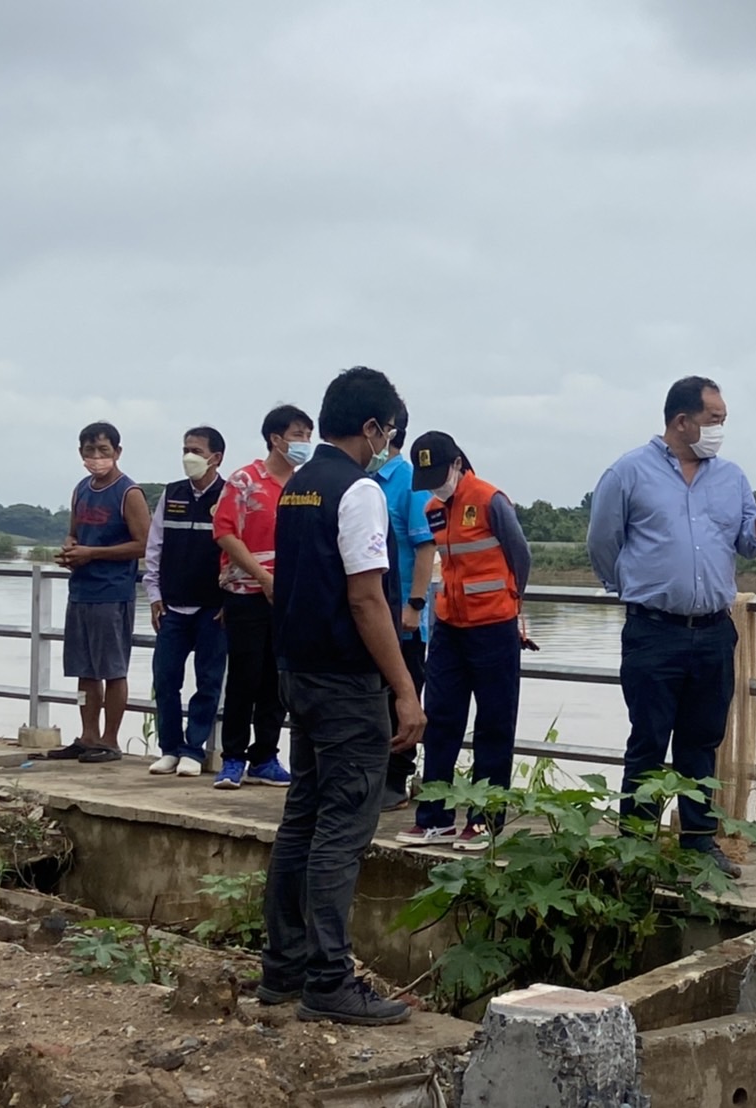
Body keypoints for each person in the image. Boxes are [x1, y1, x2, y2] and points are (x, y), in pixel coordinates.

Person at [259, 365, 426, 1026]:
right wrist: (404, 689)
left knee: (302, 818)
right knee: (343, 826)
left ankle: (283, 967)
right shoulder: (359, 491)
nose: (389, 443)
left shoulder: (297, 487)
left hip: (300, 674)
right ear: (373, 427)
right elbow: (366, 598)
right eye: (389, 432)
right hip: (347, 684)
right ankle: (329, 978)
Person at [587, 376, 756, 877]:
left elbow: (748, 542)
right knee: (647, 740)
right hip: (653, 631)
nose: (720, 428)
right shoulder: (627, 472)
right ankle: (635, 846)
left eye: (723, 420)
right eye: (714, 419)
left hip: (713, 631)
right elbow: (602, 541)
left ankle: (700, 843)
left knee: (702, 742)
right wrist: (632, 586)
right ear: (682, 421)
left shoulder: (730, 477)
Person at [395, 431, 531, 849]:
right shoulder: (434, 509)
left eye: (439, 475)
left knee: (493, 724)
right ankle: (434, 819)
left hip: (493, 626)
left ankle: (485, 820)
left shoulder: (490, 500)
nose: (435, 485)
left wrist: (514, 605)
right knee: (440, 722)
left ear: (457, 464)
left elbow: (520, 555)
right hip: (450, 627)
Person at [212, 405, 314, 789]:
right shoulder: (244, 481)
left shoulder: (304, 486)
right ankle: (232, 758)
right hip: (246, 594)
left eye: (308, 435)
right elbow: (225, 533)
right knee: (244, 676)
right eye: (298, 434)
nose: (305, 442)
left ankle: (265, 756)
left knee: (278, 678)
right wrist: (262, 577)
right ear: (276, 438)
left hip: (289, 598)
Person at [46, 422, 152, 764]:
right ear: (81, 453)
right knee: (84, 669)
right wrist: (71, 549)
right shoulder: (81, 489)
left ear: (117, 452)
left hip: (112, 592)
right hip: (81, 590)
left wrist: (93, 554)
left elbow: (144, 544)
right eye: (89, 450)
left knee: (113, 668)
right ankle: (87, 735)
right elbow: (73, 533)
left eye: (103, 450)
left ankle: (110, 740)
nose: (96, 457)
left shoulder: (128, 493)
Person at [143, 427, 228, 777]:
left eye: (196, 451)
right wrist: (154, 595)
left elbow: (237, 551)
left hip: (213, 609)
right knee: (165, 679)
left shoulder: (229, 496)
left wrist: (230, 600)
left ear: (216, 458)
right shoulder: (172, 493)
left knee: (208, 681)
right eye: (185, 450)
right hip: (172, 606)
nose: (188, 457)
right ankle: (169, 748)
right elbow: (155, 547)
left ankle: (194, 750)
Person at [372, 405, 435, 811]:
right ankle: (371, 776)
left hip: (403, 617)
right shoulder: (363, 480)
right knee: (372, 700)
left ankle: (397, 778)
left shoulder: (410, 482)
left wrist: (415, 605)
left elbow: (426, 546)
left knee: (403, 697)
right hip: (370, 612)